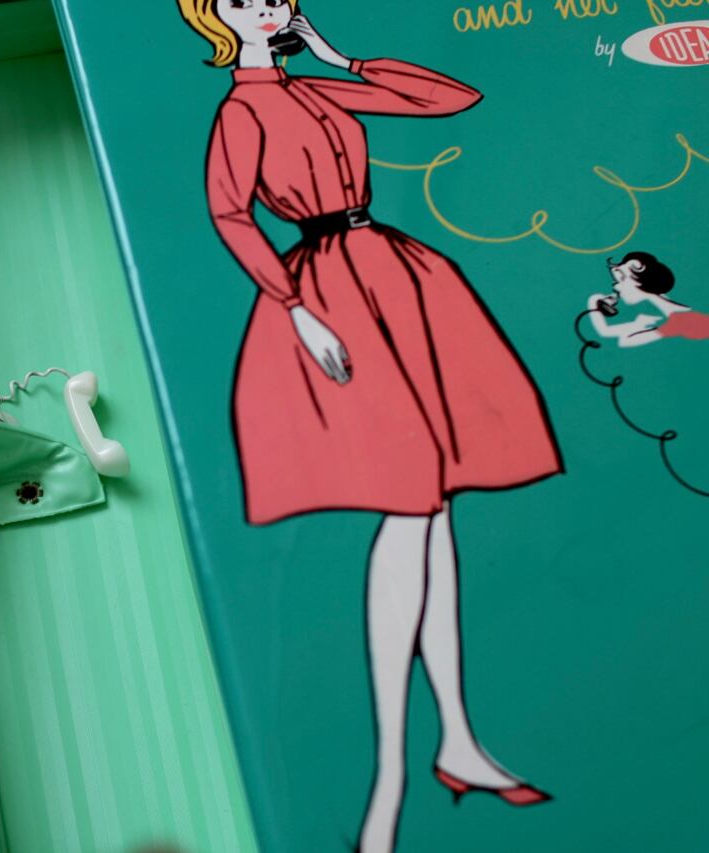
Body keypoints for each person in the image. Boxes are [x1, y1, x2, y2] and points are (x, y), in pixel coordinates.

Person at [175, 1, 564, 850]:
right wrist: (293, 309)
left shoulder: (316, 87)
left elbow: (448, 98)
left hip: (398, 280)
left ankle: (456, 740)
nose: (264, 4)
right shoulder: (240, 110)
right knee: (411, 508)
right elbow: (229, 214)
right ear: (213, 17)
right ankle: (388, 780)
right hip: (330, 298)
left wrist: (340, 56)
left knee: (435, 514)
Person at [588, 251, 709, 346]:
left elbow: (622, 339)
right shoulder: (662, 313)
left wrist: (594, 300)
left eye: (621, 280)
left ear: (638, 282)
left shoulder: (677, 320)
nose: (616, 287)